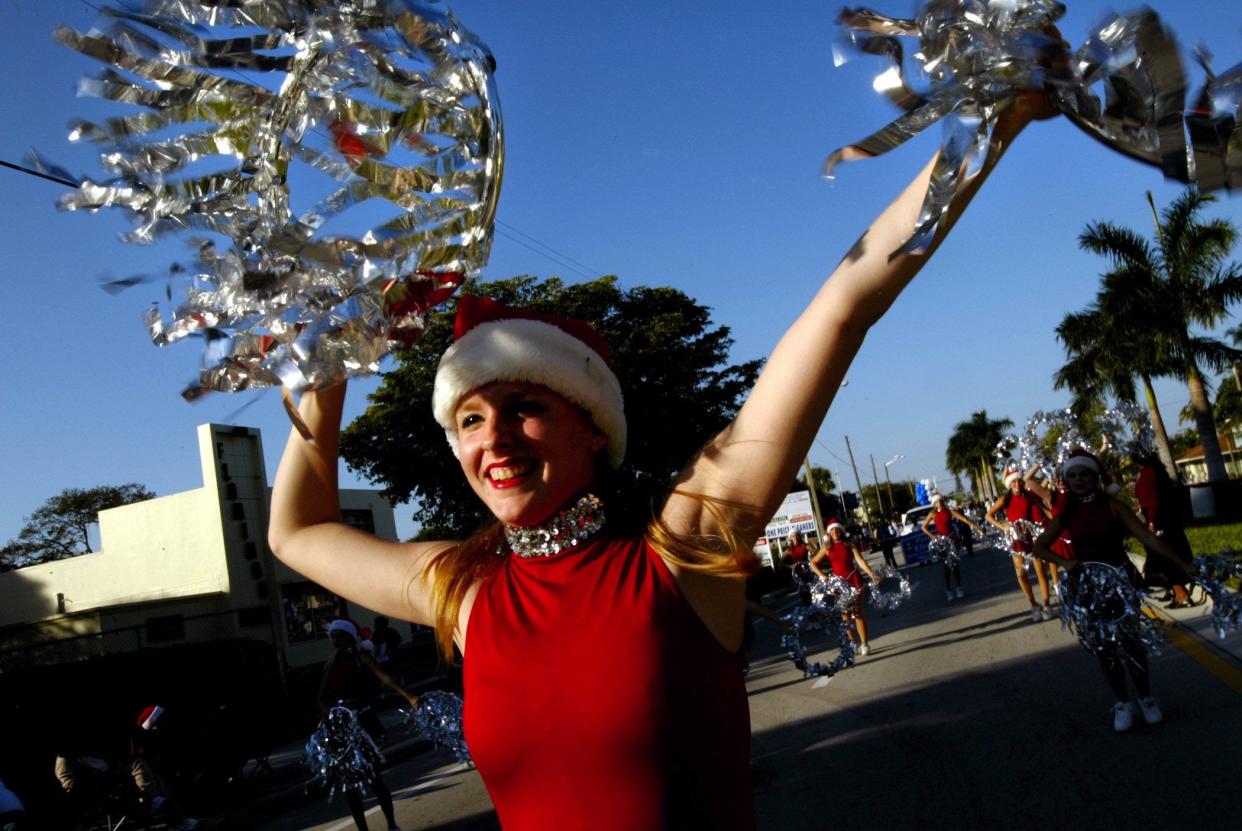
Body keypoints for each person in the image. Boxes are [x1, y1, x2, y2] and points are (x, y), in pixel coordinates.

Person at [268, 91, 1052, 829]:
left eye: (527, 407)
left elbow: (841, 311)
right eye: (470, 418)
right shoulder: (465, 591)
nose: (494, 438)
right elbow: (297, 532)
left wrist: (992, 122)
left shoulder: (684, 552)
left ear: (593, 429)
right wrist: (325, 371)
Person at [1032, 449, 1190, 732]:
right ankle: (1122, 703)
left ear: (1095, 476)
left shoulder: (1113, 505)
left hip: (1120, 580)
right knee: (1104, 647)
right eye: (1073, 476)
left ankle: (1146, 699)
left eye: (1084, 474)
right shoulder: (1066, 512)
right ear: (1067, 481)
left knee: (1131, 642)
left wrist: (1182, 564)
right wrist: (1066, 563)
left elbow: (1147, 538)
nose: (1079, 480)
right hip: (1089, 586)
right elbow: (1039, 546)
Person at [318, 619, 418, 831]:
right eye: (333, 636)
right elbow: (323, 695)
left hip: (363, 722)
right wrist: (329, 716)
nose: (336, 640)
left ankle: (391, 824)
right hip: (341, 727)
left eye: (341, 635)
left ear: (351, 637)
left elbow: (384, 677)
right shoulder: (331, 661)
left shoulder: (361, 657)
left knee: (373, 777)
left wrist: (409, 697)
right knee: (349, 783)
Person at [986, 466, 1056, 621]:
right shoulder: (1005, 499)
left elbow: (1046, 511)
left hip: (1034, 538)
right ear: (1010, 484)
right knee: (1021, 575)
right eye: (1014, 482)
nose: (1017, 485)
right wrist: (1004, 526)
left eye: (1019, 482)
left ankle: (1046, 604)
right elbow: (988, 515)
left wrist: (1059, 522)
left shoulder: (1030, 496)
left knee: (1041, 573)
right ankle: (1033, 604)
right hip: (1017, 541)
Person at [1133, 455, 1194, 607]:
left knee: (1163, 556)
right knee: (1169, 553)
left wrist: (1152, 522)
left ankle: (1181, 594)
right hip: (1168, 519)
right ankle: (1173, 590)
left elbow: (1153, 501)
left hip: (1158, 520)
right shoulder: (1158, 472)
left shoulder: (1148, 474)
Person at [809, 520, 878, 655]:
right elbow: (813, 563)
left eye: (837, 529)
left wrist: (871, 573)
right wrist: (823, 576)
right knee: (845, 616)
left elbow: (860, 561)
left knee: (857, 613)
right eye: (832, 530)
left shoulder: (849, 544)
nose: (835, 532)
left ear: (841, 531)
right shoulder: (827, 548)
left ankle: (864, 644)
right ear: (829, 533)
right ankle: (853, 643)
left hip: (854, 580)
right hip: (839, 585)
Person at [921, 493, 983, 602]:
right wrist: (933, 537)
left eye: (940, 501)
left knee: (955, 565)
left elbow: (964, 519)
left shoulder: (949, 511)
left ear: (943, 502)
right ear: (934, 504)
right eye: (936, 502)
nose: (939, 503)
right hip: (942, 543)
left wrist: (976, 527)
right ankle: (948, 590)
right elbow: (923, 527)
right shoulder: (932, 514)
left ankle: (959, 587)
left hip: (952, 540)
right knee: (946, 567)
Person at [782, 530, 814, 605]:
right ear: (790, 538)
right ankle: (809, 612)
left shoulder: (805, 546)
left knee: (812, 594)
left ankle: (814, 611)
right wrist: (790, 566)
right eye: (793, 536)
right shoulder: (789, 550)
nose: (795, 537)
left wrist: (812, 561)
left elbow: (816, 552)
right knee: (804, 596)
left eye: (797, 535)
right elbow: (781, 563)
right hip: (798, 575)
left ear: (799, 536)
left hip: (807, 573)